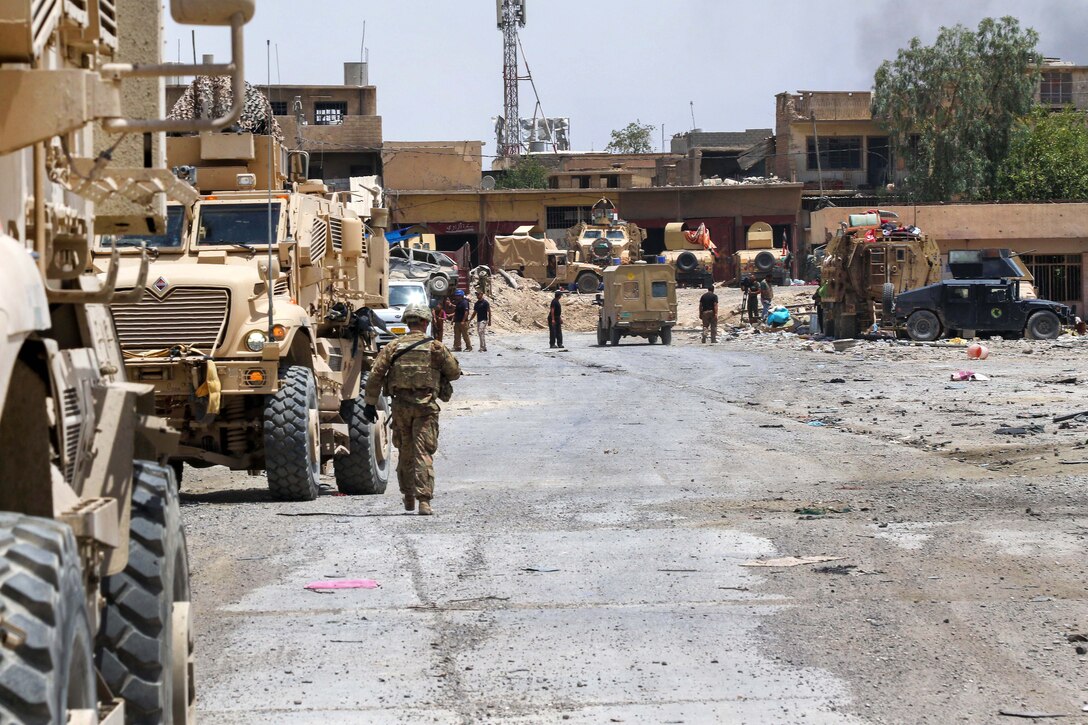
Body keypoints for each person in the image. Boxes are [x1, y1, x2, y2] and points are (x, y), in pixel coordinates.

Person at [363, 303, 461, 516]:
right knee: (422, 452)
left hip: (401, 407)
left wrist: (370, 403)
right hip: (425, 407)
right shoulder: (435, 347)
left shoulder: (394, 346)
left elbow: (375, 375)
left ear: (408, 323)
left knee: (405, 451)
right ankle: (424, 501)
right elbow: (454, 373)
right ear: (426, 322)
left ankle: (408, 496)